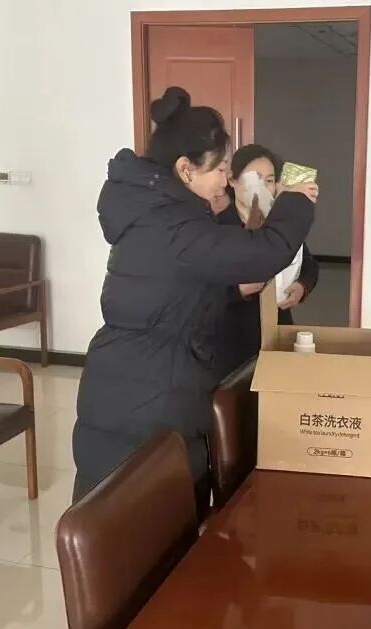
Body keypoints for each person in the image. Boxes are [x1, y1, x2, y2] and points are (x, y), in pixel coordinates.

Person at [72, 87, 318, 507]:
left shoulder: (159, 215)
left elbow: (173, 290)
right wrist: (294, 202)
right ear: (185, 169)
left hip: (136, 382)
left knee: (134, 511)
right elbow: (267, 251)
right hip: (145, 398)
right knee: (135, 519)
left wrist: (229, 288)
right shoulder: (174, 226)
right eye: (219, 168)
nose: (225, 179)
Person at [214, 144, 320, 378]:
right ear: (232, 181)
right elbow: (201, 288)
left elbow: (309, 263)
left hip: (277, 327)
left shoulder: (279, 225)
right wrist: (239, 290)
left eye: (270, 180)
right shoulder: (217, 227)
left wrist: (301, 287)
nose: (262, 186)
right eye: (255, 178)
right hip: (232, 335)